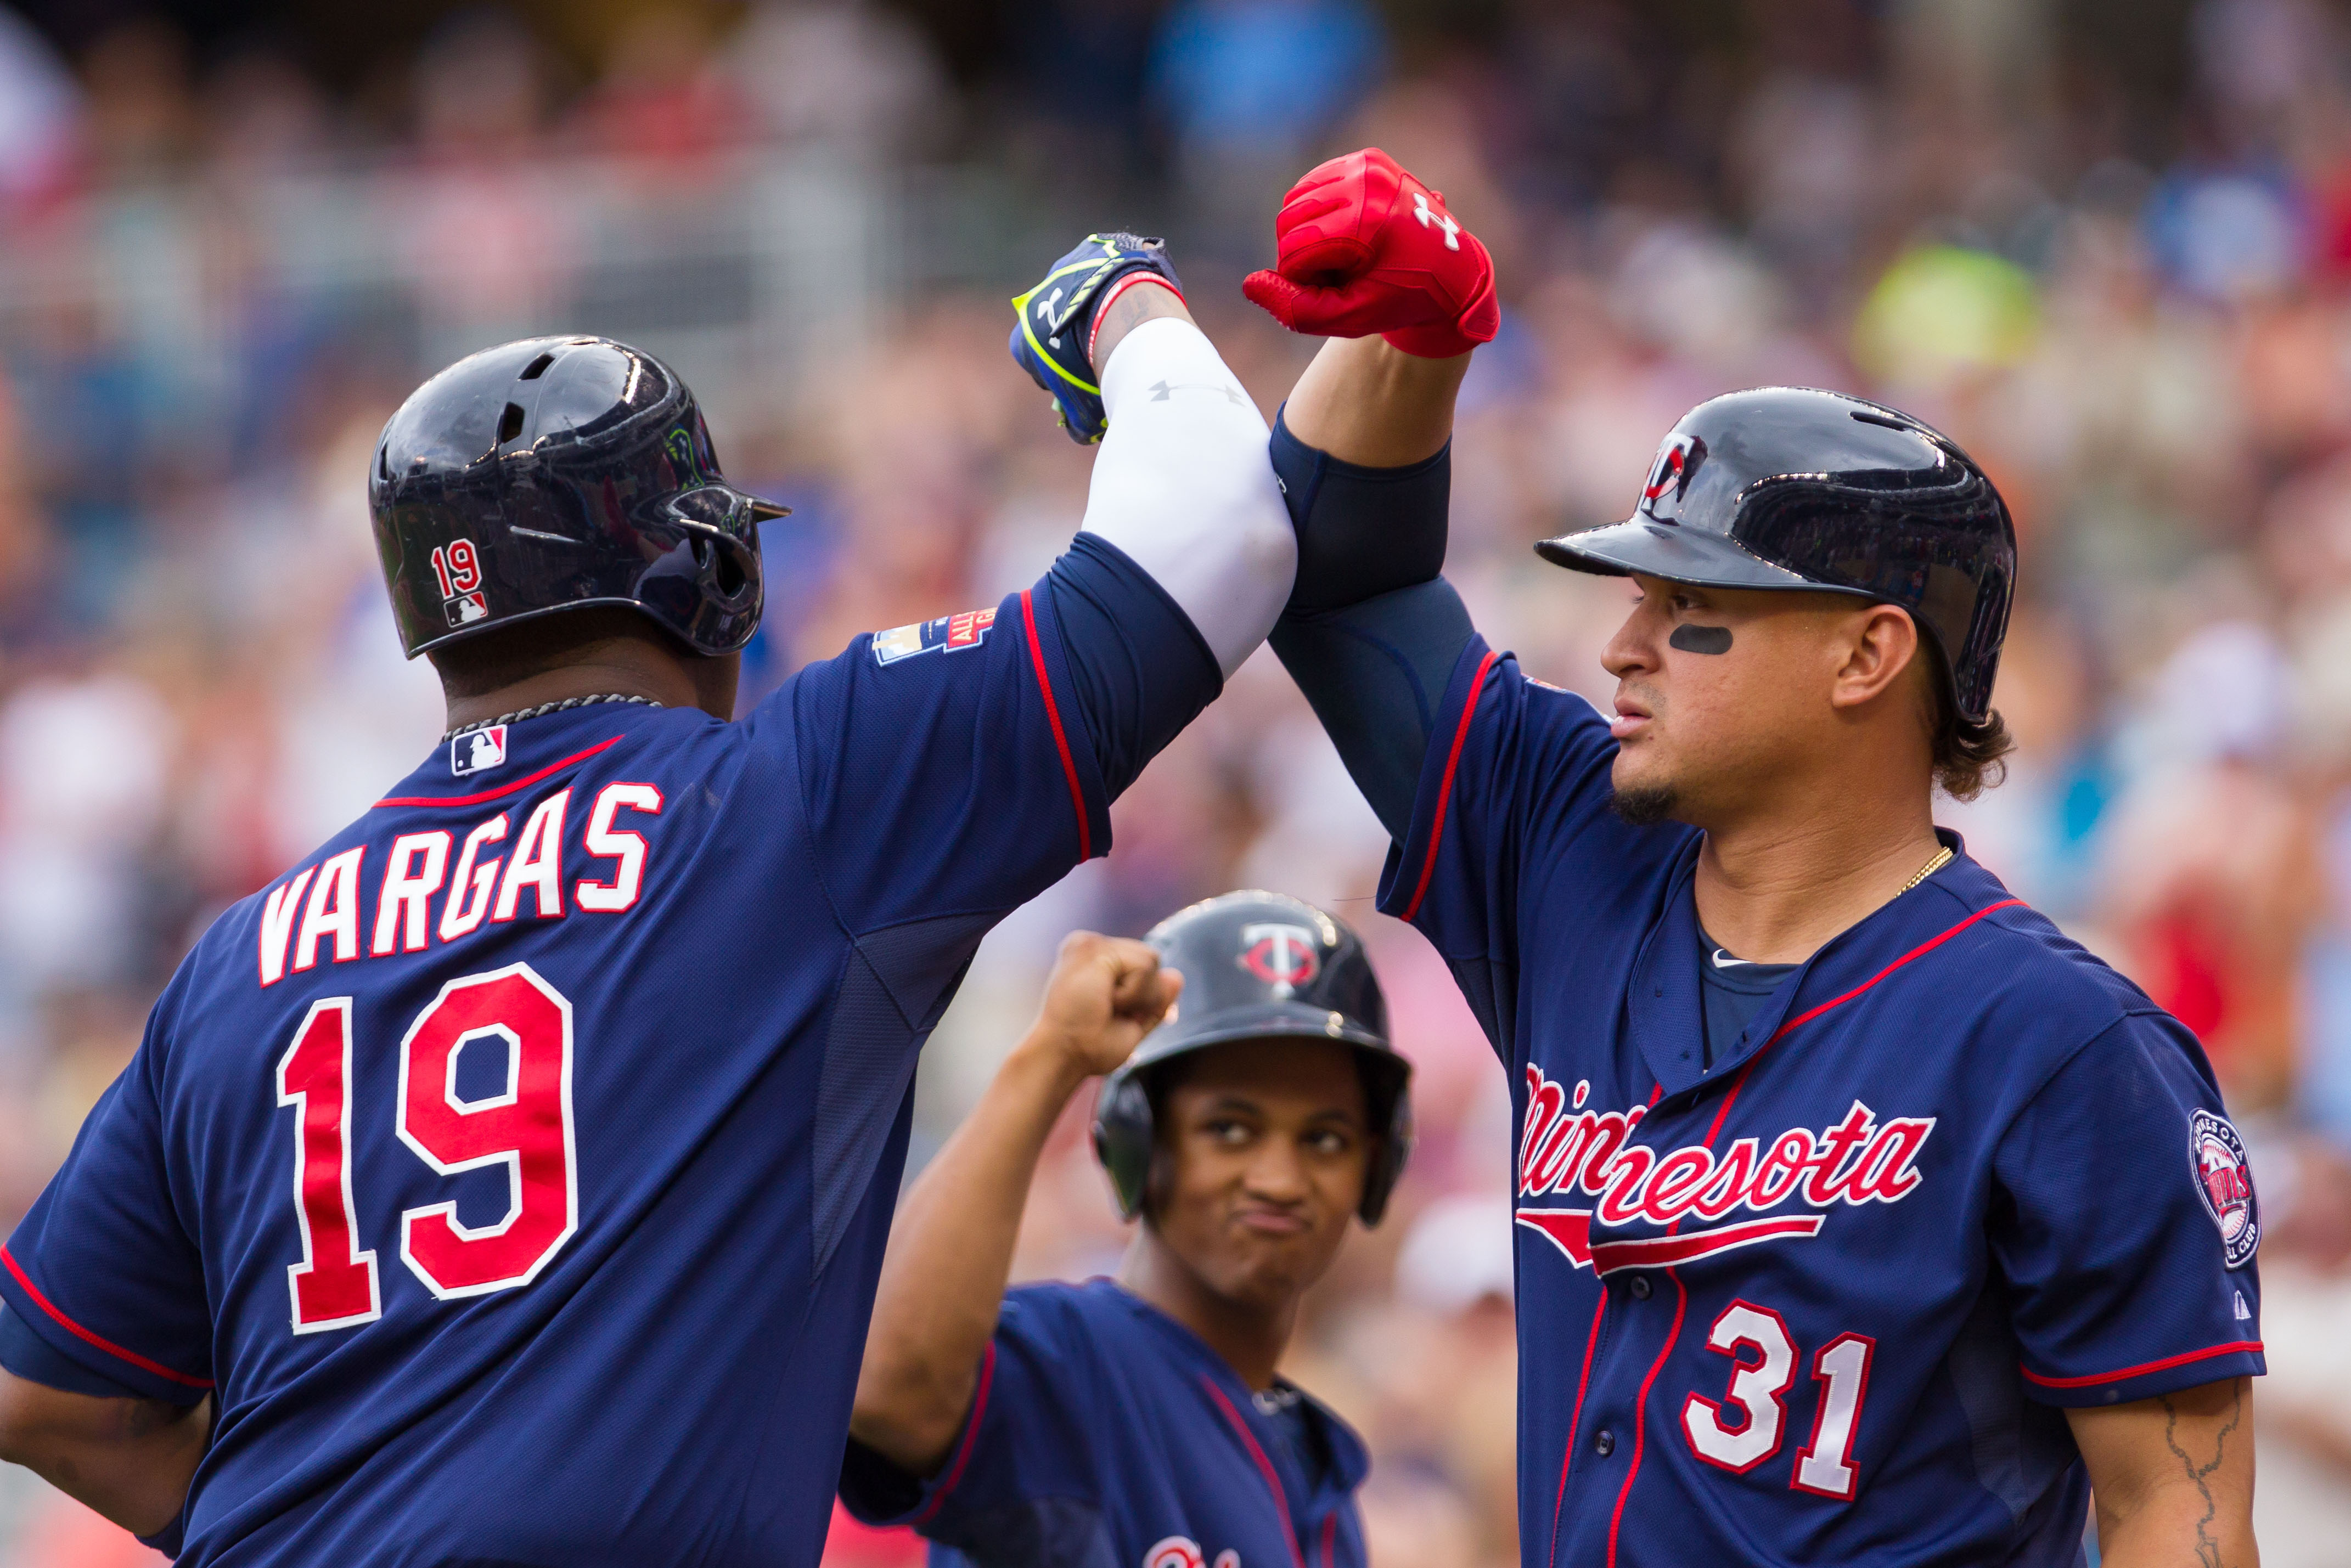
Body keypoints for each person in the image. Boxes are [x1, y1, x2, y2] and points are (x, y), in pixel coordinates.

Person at [0, 232, 1297, 1566]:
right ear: (718, 579)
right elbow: (1224, 531)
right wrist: (1122, 296)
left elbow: (52, 1397)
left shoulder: (238, 957)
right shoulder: (794, 807)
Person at [1243, 148, 2263, 1566]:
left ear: (1866, 651)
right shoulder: (1568, 847)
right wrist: (1421, 341)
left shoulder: (2063, 1045)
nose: (1620, 644)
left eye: (1688, 606)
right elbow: (1336, 578)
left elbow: (2178, 1512)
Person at [839, 892, 1411, 1568]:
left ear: (1373, 1169)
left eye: (1325, 1137)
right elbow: (888, 1391)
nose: (1280, 1179)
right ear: (1138, 1144)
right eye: (1230, 1128)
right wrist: (1052, 1055)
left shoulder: (1321, 1467)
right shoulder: (1068, 1362)